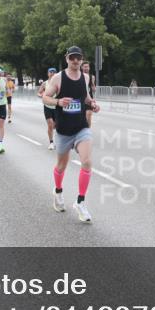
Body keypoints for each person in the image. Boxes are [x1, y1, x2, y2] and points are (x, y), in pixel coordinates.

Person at [42, 47, 101, 223]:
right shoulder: (58, 77)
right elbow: (45, 97)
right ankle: (58, 192)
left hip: (81, 127)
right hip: (63, 130)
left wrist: (93, 104)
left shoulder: (85, 77)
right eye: (72, 57)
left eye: (78, 58)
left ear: (82, 59)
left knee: (87, 161)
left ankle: (80, 202)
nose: (76, 60)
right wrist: (58, 101)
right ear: (67, 58)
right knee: (61, 166)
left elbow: (86, 98)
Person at [37, 67, 58, 149]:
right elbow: (39, 93)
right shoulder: (45, 83)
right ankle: (51, 143)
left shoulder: (59, 83)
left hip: (57, 107)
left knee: (56, 126)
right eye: (50, 72)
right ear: (48, 73)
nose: (52, 73)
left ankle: (56, 137)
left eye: (54, 72)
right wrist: (41, 95)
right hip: (47, 106)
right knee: (50, 124)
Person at [82, 61, 97, 128]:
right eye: (85, 67)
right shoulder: (79, 76)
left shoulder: (92, 77)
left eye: (87, 67)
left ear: (89, 68)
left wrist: (93, 86)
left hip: (89, 99)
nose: (86, 68)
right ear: (82, 67)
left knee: (89, 114)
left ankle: (88, 129)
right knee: (82, 116)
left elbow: (93, 88)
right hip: (81, 99)